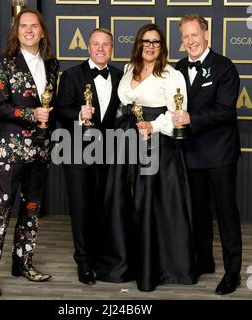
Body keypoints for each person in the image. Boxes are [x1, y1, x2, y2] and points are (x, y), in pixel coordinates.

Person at [97, 23, 197, 292]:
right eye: (145, 41)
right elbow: (123, 105)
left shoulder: (171, 75)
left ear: (162, 47)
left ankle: (155, 269)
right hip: (126, 136)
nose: (150, 46)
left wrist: (153, 126)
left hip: (156, 141)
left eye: (155, 42)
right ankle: (122, 264)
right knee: (120, 199)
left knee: (149, 203)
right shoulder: (129, 69)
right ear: (138, 44)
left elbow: (178, 111)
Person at [0, 9, 59, 297]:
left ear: (42, 32)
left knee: (31, 210)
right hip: (10, 150)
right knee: (2, 210)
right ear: (17, 32)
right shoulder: (3, 63)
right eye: (23, 26)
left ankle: (23, 262)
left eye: (34, 26)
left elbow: (53, 108)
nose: (29, 30)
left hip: (41, 150)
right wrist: (31, 112)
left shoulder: (52, 65)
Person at [174, 14, 242, 295]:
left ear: (206, 35)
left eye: (194, 34)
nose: (190, 40)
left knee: (226, 213)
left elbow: (224, 111)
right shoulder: (177, 68)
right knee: (199, 212)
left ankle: (233, 272)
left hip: (219, 153)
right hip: (191, 152)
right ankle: (204, 261)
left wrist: (189, 117)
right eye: (185, 36)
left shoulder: (224, 67)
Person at [55, 28, 123, 285]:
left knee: (103, 208)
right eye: (96, 44)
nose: (101, 48)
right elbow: (60, 110)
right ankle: (83, 263)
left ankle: (100, 259)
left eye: (106, 45)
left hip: (109, 155)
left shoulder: (119, 75)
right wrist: (78, 115)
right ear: (88, 47)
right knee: (81, 210)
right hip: (77, 155)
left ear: (112, 49)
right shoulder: (72, 75)